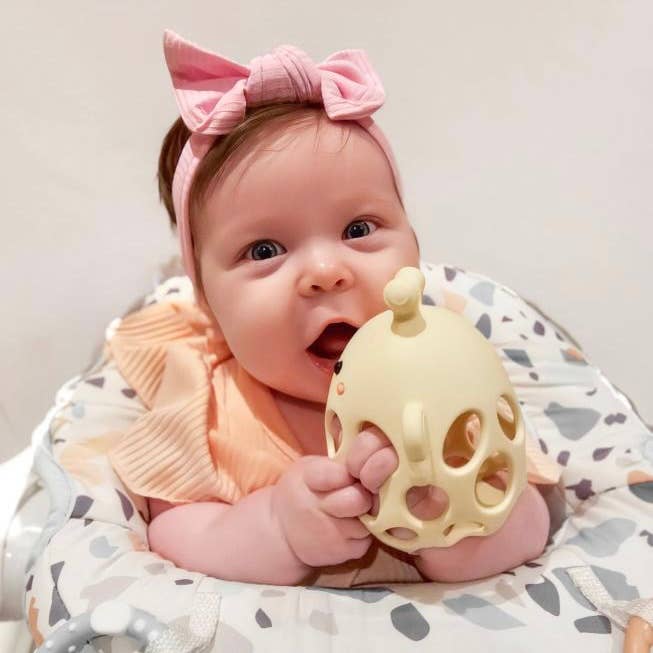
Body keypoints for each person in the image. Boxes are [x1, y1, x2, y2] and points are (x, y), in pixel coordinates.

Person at [106, 29, 554, 587]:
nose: (324, 271)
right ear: (208, 302)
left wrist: (447, 517)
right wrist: (276, 528)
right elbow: (172, 534)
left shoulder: (447, 376)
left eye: (359, 229)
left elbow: (534, 517)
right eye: (264, 250)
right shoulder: (209, 408)